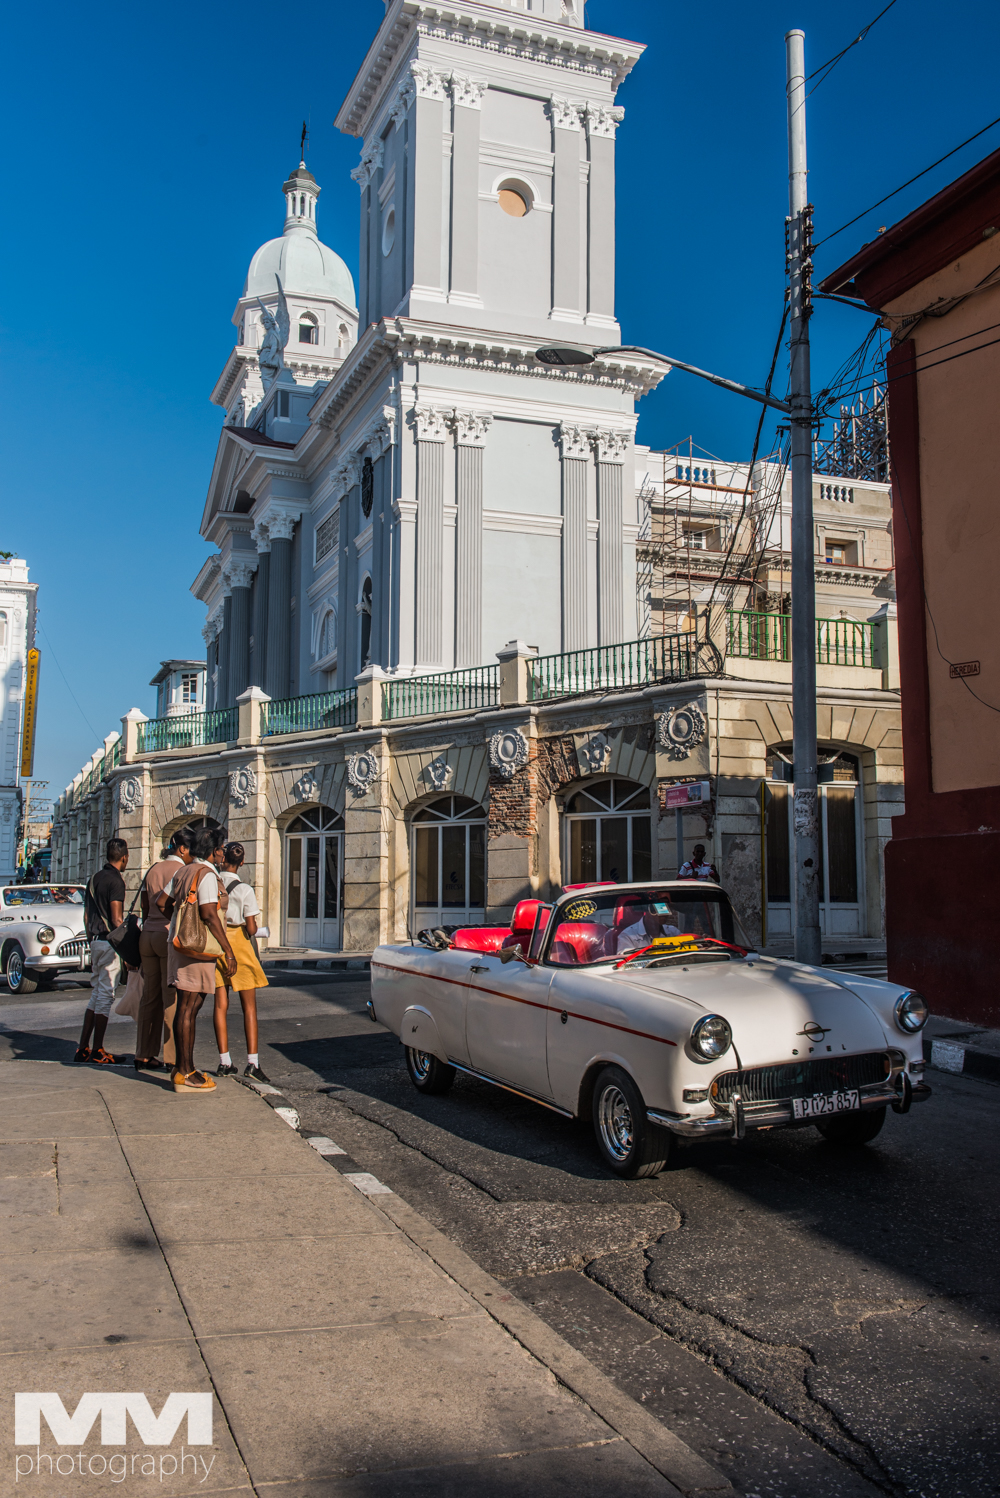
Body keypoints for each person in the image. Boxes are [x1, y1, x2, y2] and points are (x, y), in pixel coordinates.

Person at [158, 826, 237, 1093]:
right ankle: (186, 1072)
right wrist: (227, 949)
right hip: (198, 948)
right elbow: (208, 913)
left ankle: (184, 1068)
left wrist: (178, 919)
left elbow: (161, 902)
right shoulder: (205, 874)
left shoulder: (184, 870)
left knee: (186, 1006)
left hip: (181, 945)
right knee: (189, 1008)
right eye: (221, 849)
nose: (222, 854)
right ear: (214, 851)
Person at [213, 842, 270, 1083]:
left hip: (217, 943)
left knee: (220, 1005)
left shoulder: (213, 883)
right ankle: (252, 1062)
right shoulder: (245, 889)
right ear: (242, 862)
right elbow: (251, 927)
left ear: (222, 858)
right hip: (240, 946)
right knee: (249, 1007)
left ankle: (225, 1061)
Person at [135, 828, 191, 1073]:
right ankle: (170, 1058)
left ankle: (143, 1054)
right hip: (167, 935)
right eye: (190, 850)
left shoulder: (153, 869)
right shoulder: (181, 871)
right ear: (182, 848)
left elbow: (145, 906)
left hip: (147, 934)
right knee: (171, 997)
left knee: (149, 997)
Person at [76, 838, 130, 1065]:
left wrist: (91, 937)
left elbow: (87, 914)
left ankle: (83, 1048)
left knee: (96, 994)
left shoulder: (95, 878)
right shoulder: (116, 881)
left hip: (95, 940)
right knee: (106, 995)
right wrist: (127, 946)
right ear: (124, 857)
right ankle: (98, 1049)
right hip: (109, 943)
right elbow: (117, 918)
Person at [616, 905, 682, 954]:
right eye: (658, 908)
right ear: (647, 910)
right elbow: (627, 964)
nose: (664, 913)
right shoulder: (627, 936)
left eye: (667, 908)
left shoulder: (673, 932)